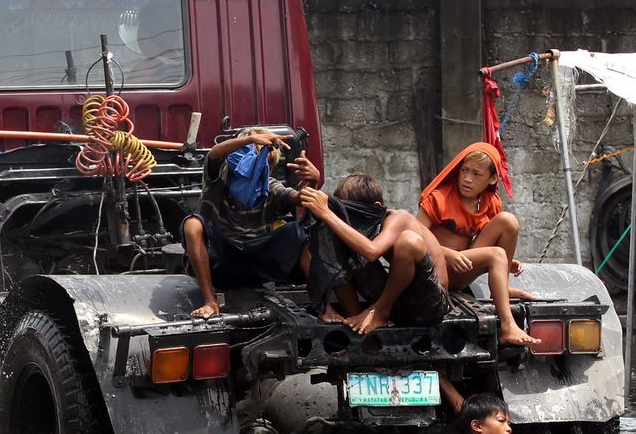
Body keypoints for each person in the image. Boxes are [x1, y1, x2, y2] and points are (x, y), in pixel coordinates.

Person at [182, 128, 321, 318]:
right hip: (222, 262)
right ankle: (210, 301)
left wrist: (313, 181)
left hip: (257, 262)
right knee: (192, 225)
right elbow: (214, 154)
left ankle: (322, 305)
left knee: (300, 232)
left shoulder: (270, 187)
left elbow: (303, 199)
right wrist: (251, 139)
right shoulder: (219, 181)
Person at [300, 174, 452, 334]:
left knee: (408, 241)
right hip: (396, 302)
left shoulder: (399, 218)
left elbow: (372, 252)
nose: (350, 221)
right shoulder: (363, 226)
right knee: (323, 245)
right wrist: (314, 185)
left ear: (376, 207)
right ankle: (359, 327)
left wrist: (327, 214)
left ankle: (379, 313)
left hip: (430, 304)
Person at [417, 142, 534, 302]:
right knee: (495, 254)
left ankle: (503, 287)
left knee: (508, 221)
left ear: (492, 179)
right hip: (435, 270)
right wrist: (448, 254)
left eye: (477, 174)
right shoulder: (438, 198)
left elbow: (492, 246)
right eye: (464, 170)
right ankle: (506, 318)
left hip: (463, 268)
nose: (467, 179)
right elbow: (413, 237)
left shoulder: (491, 202)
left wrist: (503, 263)